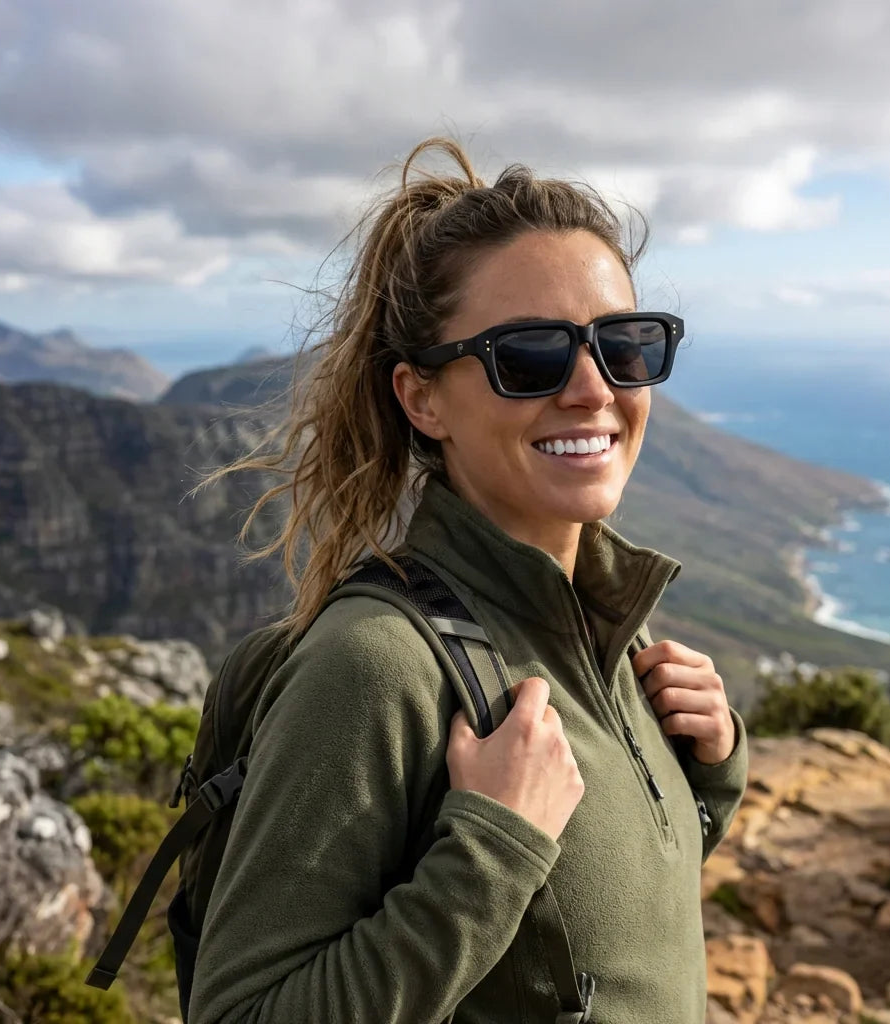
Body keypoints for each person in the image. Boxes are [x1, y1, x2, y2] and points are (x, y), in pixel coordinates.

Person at [189, 136, 748, 1024]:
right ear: (423, 399)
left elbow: (598, 937)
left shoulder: (608, 627)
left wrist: (708, 772)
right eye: (528, 356)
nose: (592, 388)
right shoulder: (375, 669)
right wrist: (493, 850)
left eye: (624, 344)